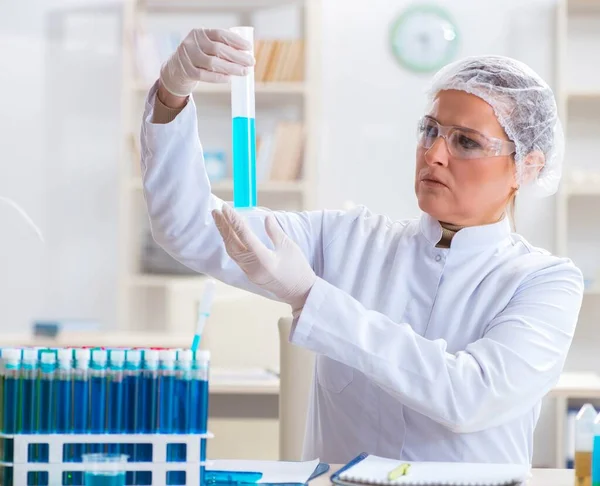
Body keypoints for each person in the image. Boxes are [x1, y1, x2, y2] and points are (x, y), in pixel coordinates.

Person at [140, 28, 584, 465]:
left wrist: (312, 298)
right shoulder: (349, 239)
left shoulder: (544, 281)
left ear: (526, 167)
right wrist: (171, 96)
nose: (434, 154)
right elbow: (190, 227)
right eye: (429, 131)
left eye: (466, 141)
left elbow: (471, 397)